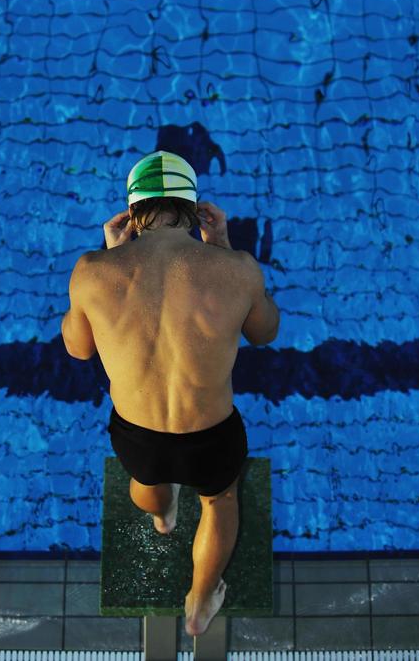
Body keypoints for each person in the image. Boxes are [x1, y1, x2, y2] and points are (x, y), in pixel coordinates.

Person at [61, 150, 280, 637]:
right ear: (195, 208)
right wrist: (221, 246)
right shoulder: (237, 268)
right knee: (220, 500)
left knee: (147, 483)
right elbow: (265, 331)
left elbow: (77, 350)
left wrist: (112, 256)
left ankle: (162, 516)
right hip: (212, 435)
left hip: (139, 437)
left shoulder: (92, 269)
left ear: (132, 213)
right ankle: (201, 602)